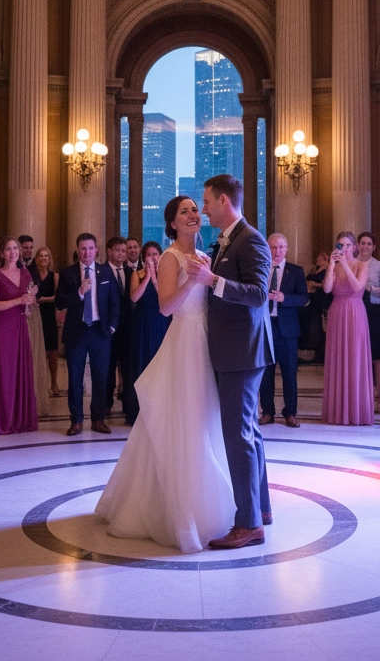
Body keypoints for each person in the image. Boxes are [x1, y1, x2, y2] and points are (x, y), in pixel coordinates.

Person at [96, 197, 236, 552]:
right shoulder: (172, 257)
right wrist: (191, 282)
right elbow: (165, 307)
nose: (193, 215)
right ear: (172, 223)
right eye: (184, 212)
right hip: (184, 339)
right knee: (184, 420)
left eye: (195, 210)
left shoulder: (206, 256)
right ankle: (178, 510)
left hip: (207, 342)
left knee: (206, 419)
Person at [183, 174, 273, 550]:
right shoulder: (227, 239)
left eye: (205, 201)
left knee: (238, 437)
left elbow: (258, 294)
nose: (202, 209)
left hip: (242, 351)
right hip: (234, 348)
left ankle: (248, 524)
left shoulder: (251, 239)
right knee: (247, 432)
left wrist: (211, 279)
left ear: (223, 201)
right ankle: (261, 508)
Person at [56, 233, 120, 436]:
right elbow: (59, 302)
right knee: (75, 378)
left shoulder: (105, 273)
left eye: (90, 248)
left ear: (97, 250)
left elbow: (115, 303)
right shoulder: (68, 274)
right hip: (77, 331)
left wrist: (111, 327)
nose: (87, 252)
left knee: (100, 377)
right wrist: (79, 293)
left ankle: (98, 419)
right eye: (83, 248)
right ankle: (76, 421)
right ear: (77, 250)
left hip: (101, 331)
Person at [0, 237, 38, 435]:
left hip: (21, 325)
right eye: (8, 249)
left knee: (20, 371)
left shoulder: (25, 273)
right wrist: (18, 300)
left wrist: (30, 299)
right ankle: (1, 420)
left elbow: (29, 297)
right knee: (4, 373)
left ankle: (20, 419)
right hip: (3, 327)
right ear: (2, 253)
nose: (13, 252)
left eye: (15, 248)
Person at [321, 231, 374, 427]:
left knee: (355, 358)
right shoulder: (334, 265)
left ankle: (357, 411)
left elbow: (357, 286)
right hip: (337, 311)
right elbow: (326, 289)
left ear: (353, 247)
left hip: (354, 312)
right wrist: (331, 266)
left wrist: (345, 264)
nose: (342, 248)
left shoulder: (362, 265)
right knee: (338, 358)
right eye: (339, 244)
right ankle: (337, 411)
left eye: (346, 245)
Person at [259, 233, 309, 428]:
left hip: (287, 330)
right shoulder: (261, 269)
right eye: (272, 247)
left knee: (289, 373)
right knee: (265, 373)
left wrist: (284, 298)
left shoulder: (295, 271)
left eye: (280, 247)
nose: (276, 251)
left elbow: (303, 298)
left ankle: (290, 413)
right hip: (265, 327)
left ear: (286, 248)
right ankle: (267, 412)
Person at [122, 241, 168, 425]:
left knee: (161, 367)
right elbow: (134, 297)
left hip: (161, 323)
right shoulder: (137, 274)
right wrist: (148, 277)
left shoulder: (167, 275)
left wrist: (156, 279)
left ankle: (161, 412)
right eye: (149, 255)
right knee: (142, 366)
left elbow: (164, 298)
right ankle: (139, 412)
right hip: (142, 325)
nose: (152, 258)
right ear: (143, 258)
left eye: (155, 254)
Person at [357, 232, 380, 415]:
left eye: (369, 244)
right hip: (355, 311)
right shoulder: (352, 264)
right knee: (357, 358)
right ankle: (360, 400)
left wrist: (371, 288)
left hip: (374, 312)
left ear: (374, 247)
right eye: (362, 243)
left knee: (378, 357)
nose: (365, 247)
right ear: (357, 245)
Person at [17, 236, 51, 419]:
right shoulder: (12, 268)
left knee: (35, 355)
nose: (27, 251)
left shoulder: (34, 269)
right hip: (17, 313)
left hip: (33, 314)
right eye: (24, 248)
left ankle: (35, 400)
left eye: (30, 248)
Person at [104, 236, 133, 414]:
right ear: (109, 251)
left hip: (127, 328)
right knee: (108, 367)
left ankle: (128, 405)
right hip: (108, 329)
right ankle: (106, 404)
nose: (122, 254)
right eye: (118, 250)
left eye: (124, 250)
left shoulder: (131, 272)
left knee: (127, 368)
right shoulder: (102, 271)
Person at [30, 247, 61, 397]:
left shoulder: (54, 276)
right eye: (40, 256)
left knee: (52, 351)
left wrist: (45, 299)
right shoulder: (31, 275)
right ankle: (37, 382)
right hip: (34, 313)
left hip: (48, 314)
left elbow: (58, 296)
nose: (43, 258)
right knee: (35, 349)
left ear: (49, 259)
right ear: (36, 258)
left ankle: (54, 382)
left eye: (46, 256)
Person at [305, 250, 331, 363]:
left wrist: (315, 284)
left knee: (322, 325)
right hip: (314, 299)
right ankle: (315, 351)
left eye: (322, 256)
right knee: (315, 324)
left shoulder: (329, 269)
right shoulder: (315, 270)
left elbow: (329, 285)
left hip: (323, 299)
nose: (319, 258)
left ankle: (323, 353)